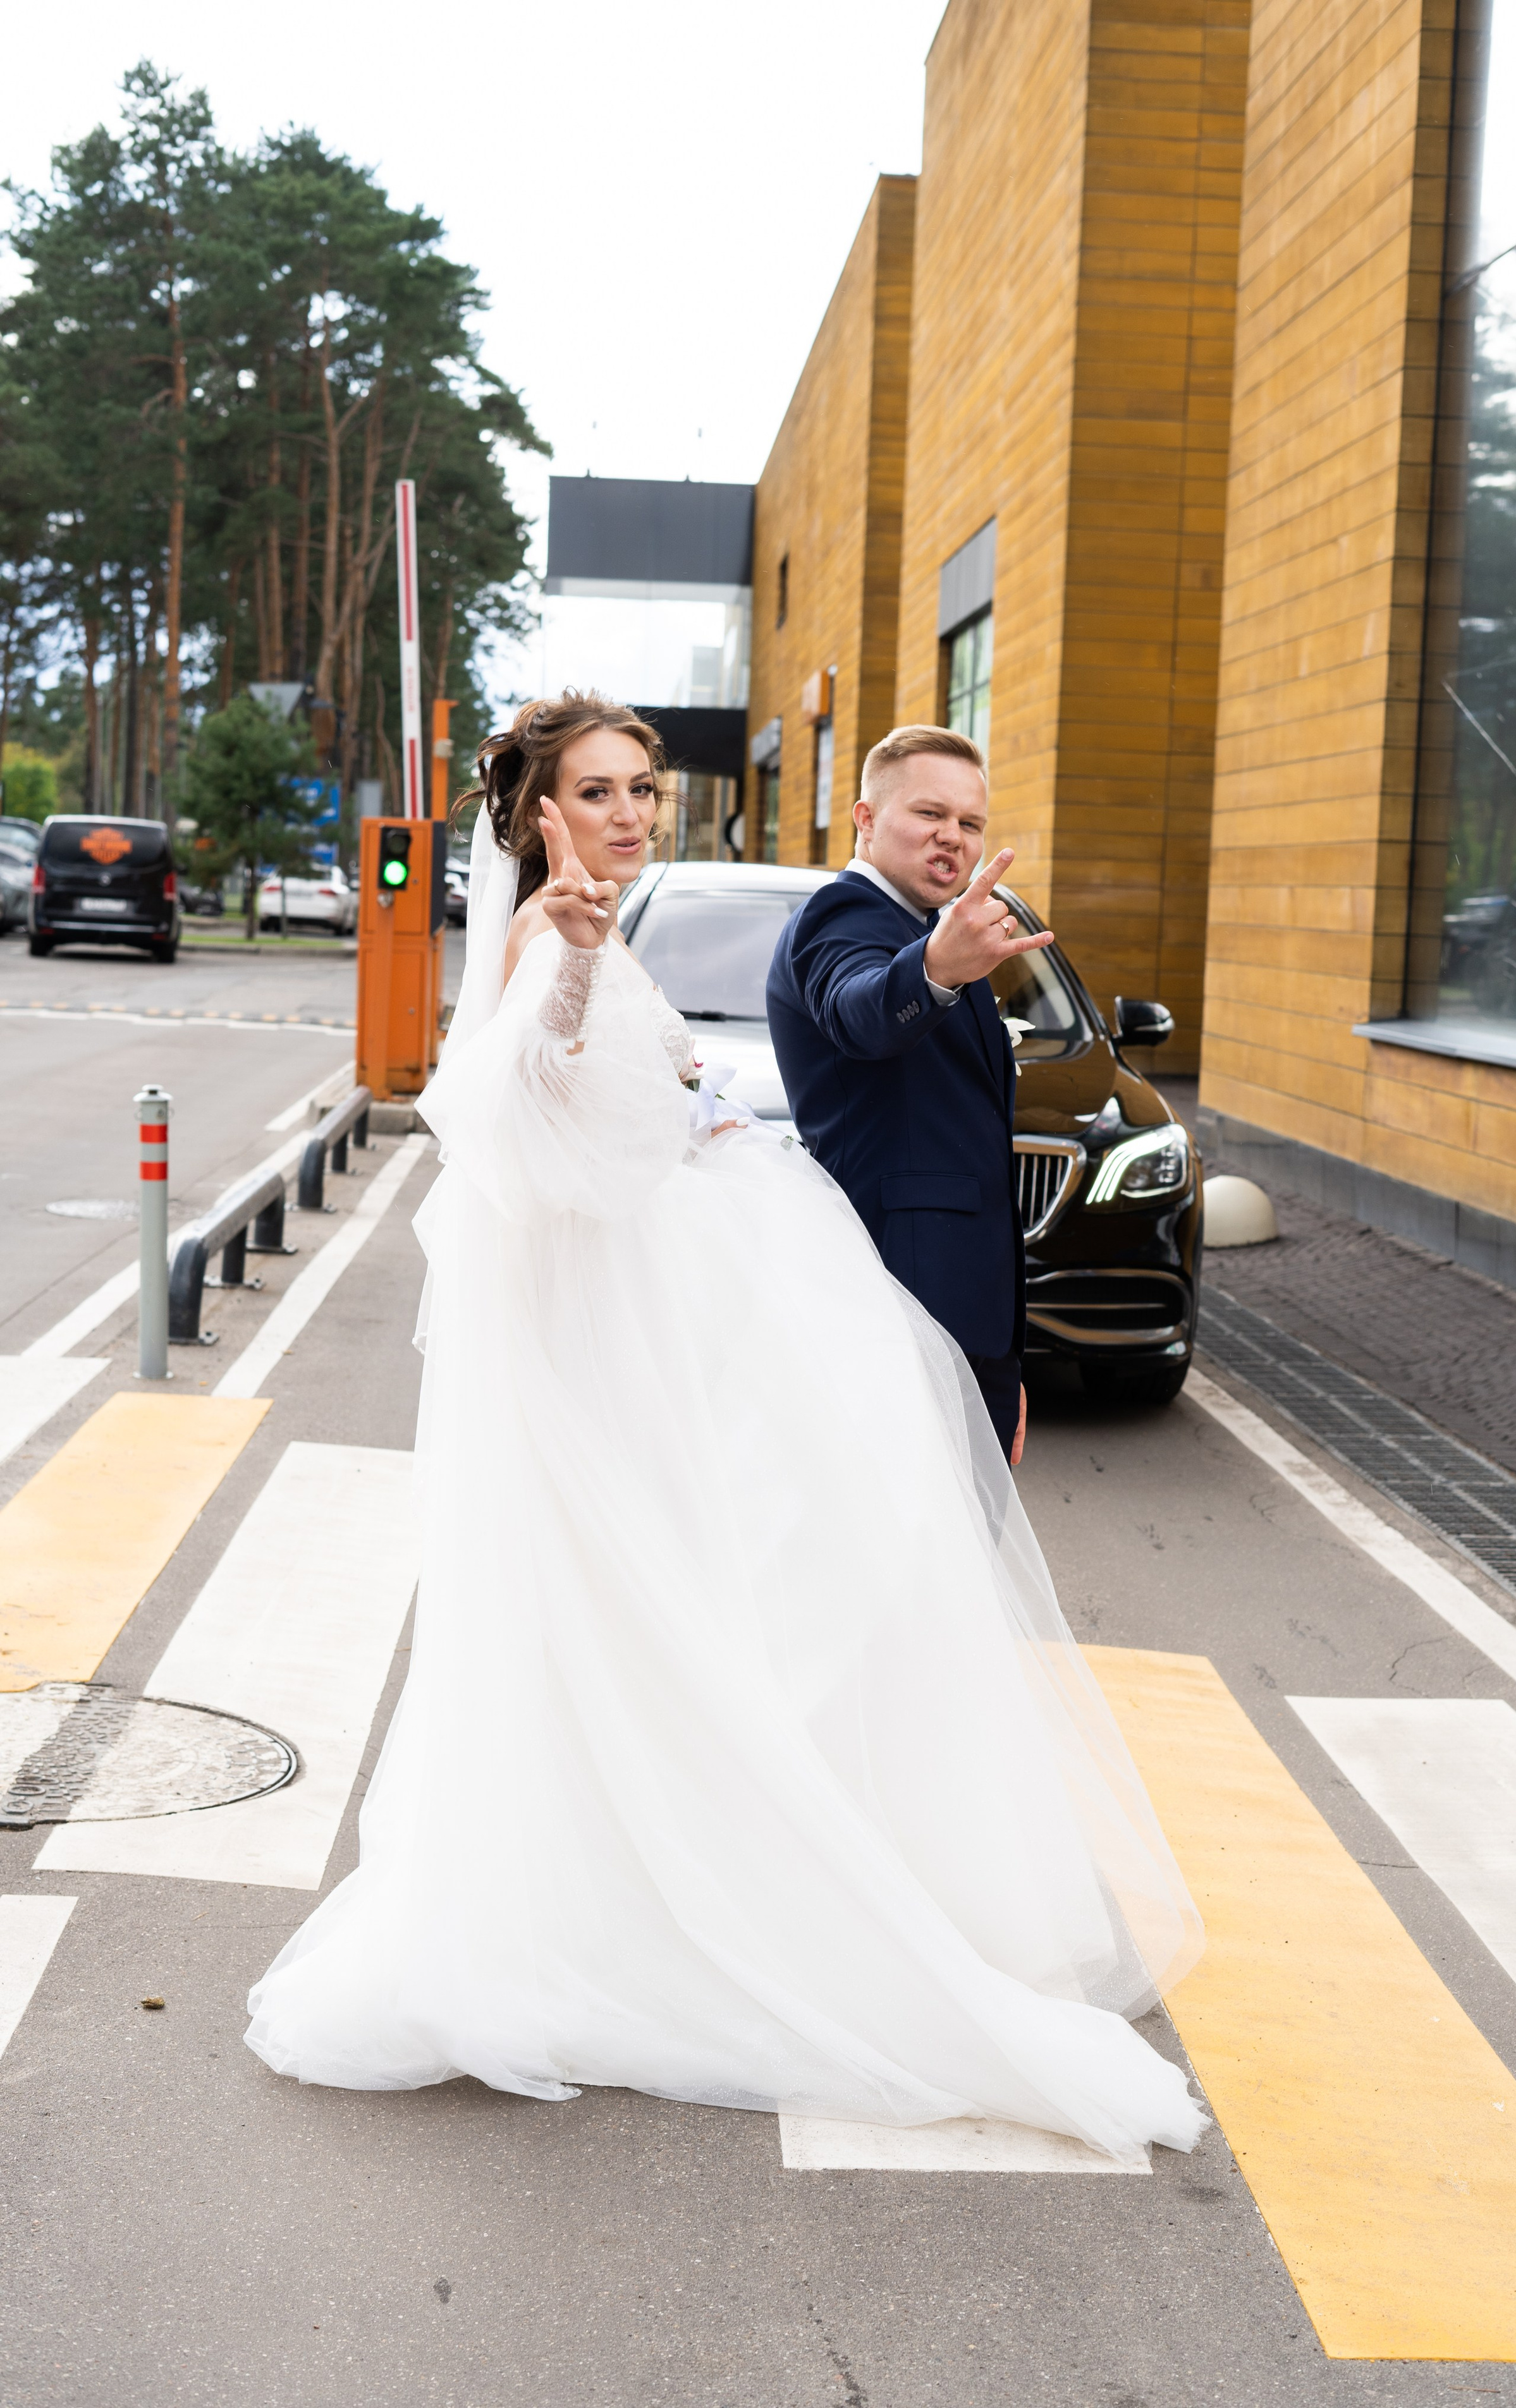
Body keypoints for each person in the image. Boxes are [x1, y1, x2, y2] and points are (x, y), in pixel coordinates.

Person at [245, 690, 1205, 2165]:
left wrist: (687, 1100)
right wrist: (569, 977)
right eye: (601, 790)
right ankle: (706, 1888)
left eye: (642, 788)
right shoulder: (558, 938)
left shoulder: (604, 929)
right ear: (537, 810)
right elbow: (515, 1096)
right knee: (703, 1590)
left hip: (644, 1309)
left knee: (660, 1609)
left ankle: (674, 1857)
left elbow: (612, 1095)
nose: (631, 812)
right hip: (615, 1321)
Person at [765, 726, 1044, 1465]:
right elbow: (860, 1012)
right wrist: (934, 970)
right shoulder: (844, 916)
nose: (952, 837)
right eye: (929, 814)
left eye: (970, 823)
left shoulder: (930, 925)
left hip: (966, 1317)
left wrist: (1003, 1372)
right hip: (900, 1304)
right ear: (864, 818)